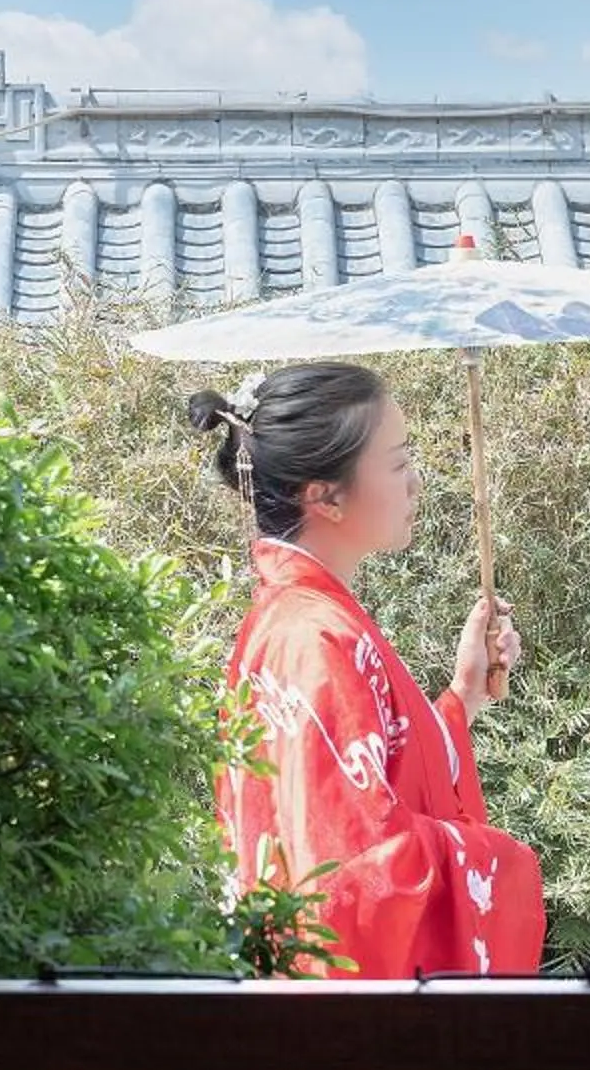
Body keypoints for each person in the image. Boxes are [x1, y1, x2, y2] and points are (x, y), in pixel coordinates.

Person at [188, 362, 546, 980]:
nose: (416, 483)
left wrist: (463, 696)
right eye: (399, 461)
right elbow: (353, 872)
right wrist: (499, 862)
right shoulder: (311, 637)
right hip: (339, 1012)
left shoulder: (307, 620)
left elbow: (371, 784)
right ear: (324, 494)